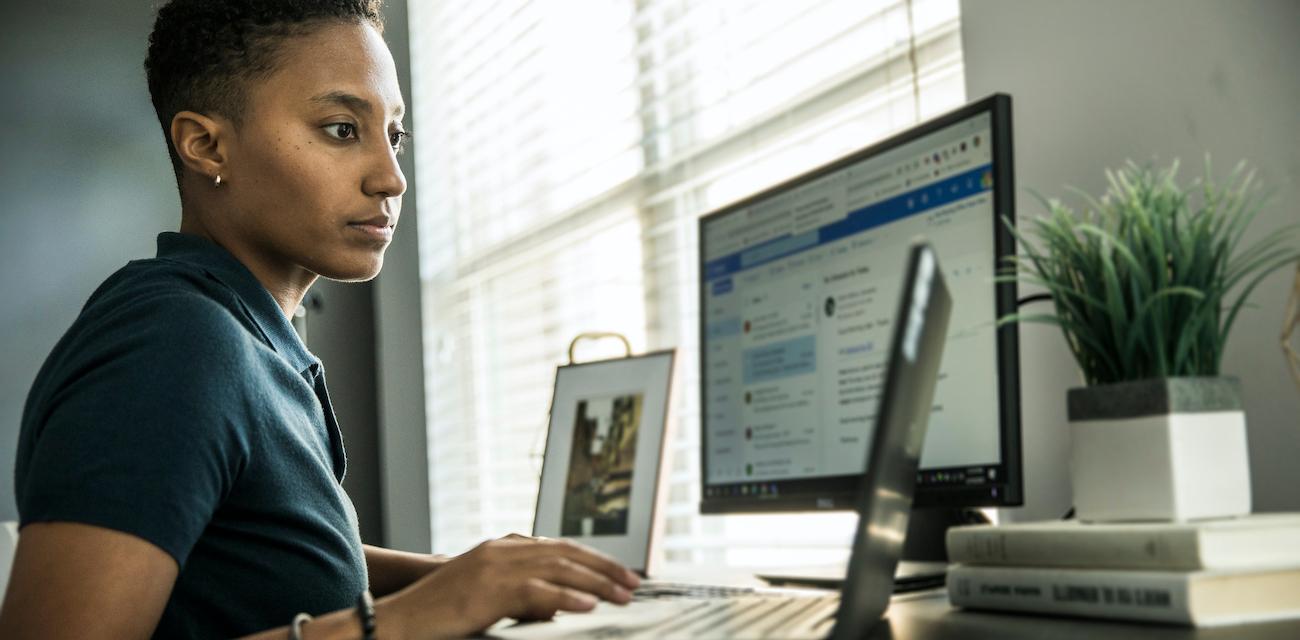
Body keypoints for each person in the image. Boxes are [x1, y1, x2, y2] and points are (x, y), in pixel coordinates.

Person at [0, 1, 639, 638]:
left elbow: (259, 550)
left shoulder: (247, 337)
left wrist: (454, 574)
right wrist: (413, 616)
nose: (391, 179)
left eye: (394, 135)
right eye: (340, 128)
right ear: (205, 144)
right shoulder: (173, 344)